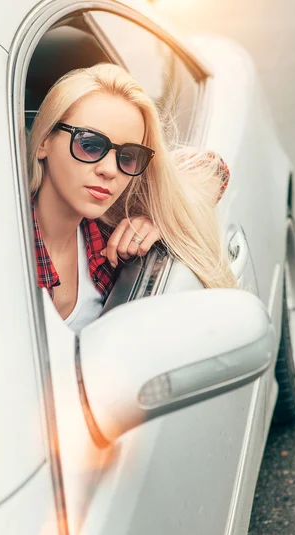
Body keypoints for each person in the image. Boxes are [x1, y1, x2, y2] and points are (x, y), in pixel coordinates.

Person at [27, 63, 236, 334]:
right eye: (90, 145)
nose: (109, 170)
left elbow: (213, 168)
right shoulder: (0, 244)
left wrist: (161, 218)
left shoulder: (106, 229)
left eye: (127, 156)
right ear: (44, 140)